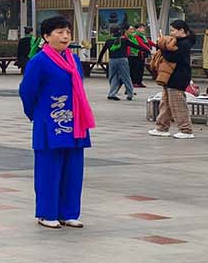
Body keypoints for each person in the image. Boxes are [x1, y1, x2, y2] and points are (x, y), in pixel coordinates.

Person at [19, 15, 94, 228]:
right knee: (49, 169)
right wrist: (38, 114)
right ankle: (47, 213)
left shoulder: (74, 60)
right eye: (60, 32)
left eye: (68, 32)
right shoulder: (39, 61)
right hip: (50, 122)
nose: (65, 36)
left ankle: (69, 213)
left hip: (76, 123)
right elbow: (26, 91)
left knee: (73, 169)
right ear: (46, 36)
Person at [149, 20, 195, 139]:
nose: (171, 32)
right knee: (165, 104)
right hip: (169, 77)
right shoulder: (176, 42)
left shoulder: (184, 43)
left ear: (182, 31)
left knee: (177, 104)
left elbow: (172, 57)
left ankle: (186, 130)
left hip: (178, 77)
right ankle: (162, 127)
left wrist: (162, 46)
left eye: (173, 30)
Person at [101, 26, 135, 101]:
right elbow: (136, 46)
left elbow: (103, 51)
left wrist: (99, 60)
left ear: (111, 33)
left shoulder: (108, 41)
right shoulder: (124, 40)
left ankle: (112, 93)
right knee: (126, 77)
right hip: (122, 60)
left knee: (113, 77)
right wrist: (148, 51)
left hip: (112, 60)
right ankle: (130, 94)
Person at [126, 24, 151, 89]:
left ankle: (139, 82)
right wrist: (149, 50)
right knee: (134, 69)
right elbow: (141, 44)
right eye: (142, 28)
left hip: (140, 53)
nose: (144, 29)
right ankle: (134, 82)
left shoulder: (142, 36)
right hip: (133, 54)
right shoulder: (134, 35)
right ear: (138, 29)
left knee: (140, 68)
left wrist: (155, 45)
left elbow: (148, 42)